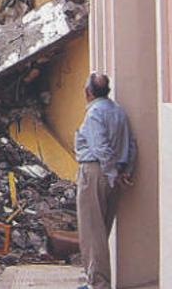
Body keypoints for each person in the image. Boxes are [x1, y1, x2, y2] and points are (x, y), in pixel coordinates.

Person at [75, 73, 137, 289]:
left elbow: (100, 147)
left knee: (92, 231)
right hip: (114, 174)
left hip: (95, 172)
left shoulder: (94, 113)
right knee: (103, 227)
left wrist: (111, 172)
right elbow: (131, 144)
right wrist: (124, 172)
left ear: (88, 92)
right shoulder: (118, 111)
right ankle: (96, 280)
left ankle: (98, 284)